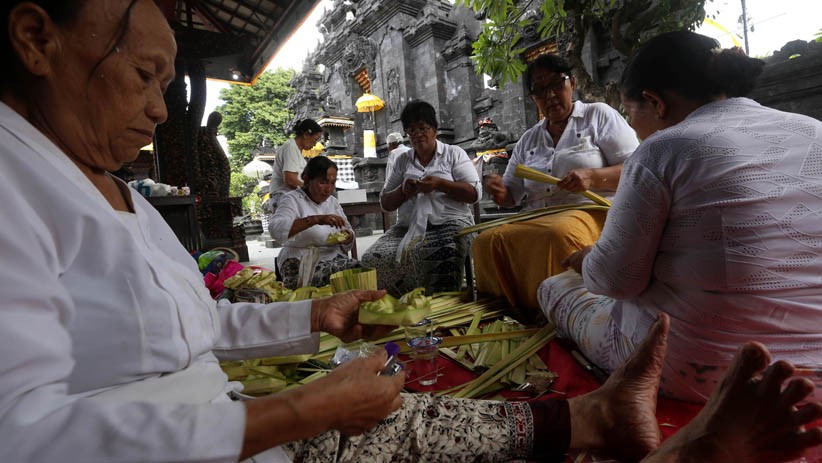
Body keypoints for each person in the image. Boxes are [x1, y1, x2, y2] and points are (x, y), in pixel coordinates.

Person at [2, 3, 821, 462]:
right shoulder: (16, 185)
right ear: (36, 38)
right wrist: (294, 409)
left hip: (226, 416)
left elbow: (191, 324)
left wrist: (307, 320)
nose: (158, 105)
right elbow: (24, 434)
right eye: (145, 75)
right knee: (441, 305)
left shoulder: (115, 190)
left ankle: (597, 421)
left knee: (416, 409)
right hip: (214, 434)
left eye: (161, 78)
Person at [539, 30, 822, 404]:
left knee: (554, 287)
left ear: (654, 102)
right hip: (813, 371)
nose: (634, 127)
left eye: (631, 113)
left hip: (705, 373)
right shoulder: (814, 130)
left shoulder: (663, 148)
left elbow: (615, 280)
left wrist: (586, 260)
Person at [474, 54, 639, 316]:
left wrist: (592, 177)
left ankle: (564, 314)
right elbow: (511, 196)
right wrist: (499, 191)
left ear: (571, 83)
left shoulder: (598, 115)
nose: (550, 95)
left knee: (557, 234)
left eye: (556, 85)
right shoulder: (529, 139)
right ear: (533, 99)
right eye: (540, 91)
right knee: (485, 241)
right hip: (538, 216)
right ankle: (510, 314)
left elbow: (636, 169)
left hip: (592, 212)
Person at [360, 101, 481, 296]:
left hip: (450, 223)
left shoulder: (453, 154)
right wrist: (404, 191)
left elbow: (474, 194)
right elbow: (385, 202)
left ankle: (440, 308)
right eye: (411, 130)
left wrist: (441, 184)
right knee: (372, 259)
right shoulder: (402, 160)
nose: (417, 134)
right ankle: (401, 307)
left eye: (423, 128)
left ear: (434, 130)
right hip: (407, 227)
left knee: (443, 253)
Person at [269, 156, 359, 289]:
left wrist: (348, 237)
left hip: (332, 257)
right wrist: (315, 219)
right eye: (323, 182)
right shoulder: (292, 199)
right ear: (307, 179)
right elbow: (275, 229)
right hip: (299, 259)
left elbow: (348, 231)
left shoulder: (332, 202)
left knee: (360, 271)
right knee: (330, 279)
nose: (328, 189)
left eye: (332, 183)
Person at [267, 118, 323, 208]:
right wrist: (311, 189)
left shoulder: (297, 152)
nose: (315, 144)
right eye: (315, 139)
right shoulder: (291, 147)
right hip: (284, 197)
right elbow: (290, 180)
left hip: (291, 197)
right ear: (306, 135)